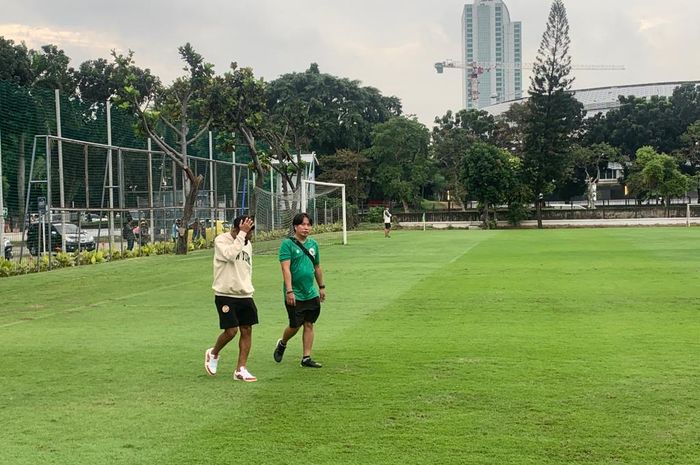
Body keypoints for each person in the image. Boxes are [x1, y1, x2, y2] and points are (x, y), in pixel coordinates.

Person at [204, 215, 258, 382]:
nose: (249, 236)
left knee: (247, 330)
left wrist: (247, 287)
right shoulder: (221, 240)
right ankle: (213, 354)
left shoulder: (247, 244)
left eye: (250, 233)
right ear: (235, 229)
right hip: (225, 294)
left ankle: (240, 369)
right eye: (247, 232)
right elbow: (229, 255)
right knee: (231, 331)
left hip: (245, 294)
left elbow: (246, 268)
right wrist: (241, 235)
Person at [273, 212, 326, 368]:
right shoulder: (287, 244)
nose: (306, 227)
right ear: (295, 226)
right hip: (295, 293)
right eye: (302, 224)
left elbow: (317, 267)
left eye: (308, 224)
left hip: (311, 292)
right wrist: (290, 291)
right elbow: (285, 268)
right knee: (295, 325)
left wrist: (321, 287)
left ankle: (306, 358)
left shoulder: (313, 245)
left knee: (309, 323)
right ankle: (282, 343)